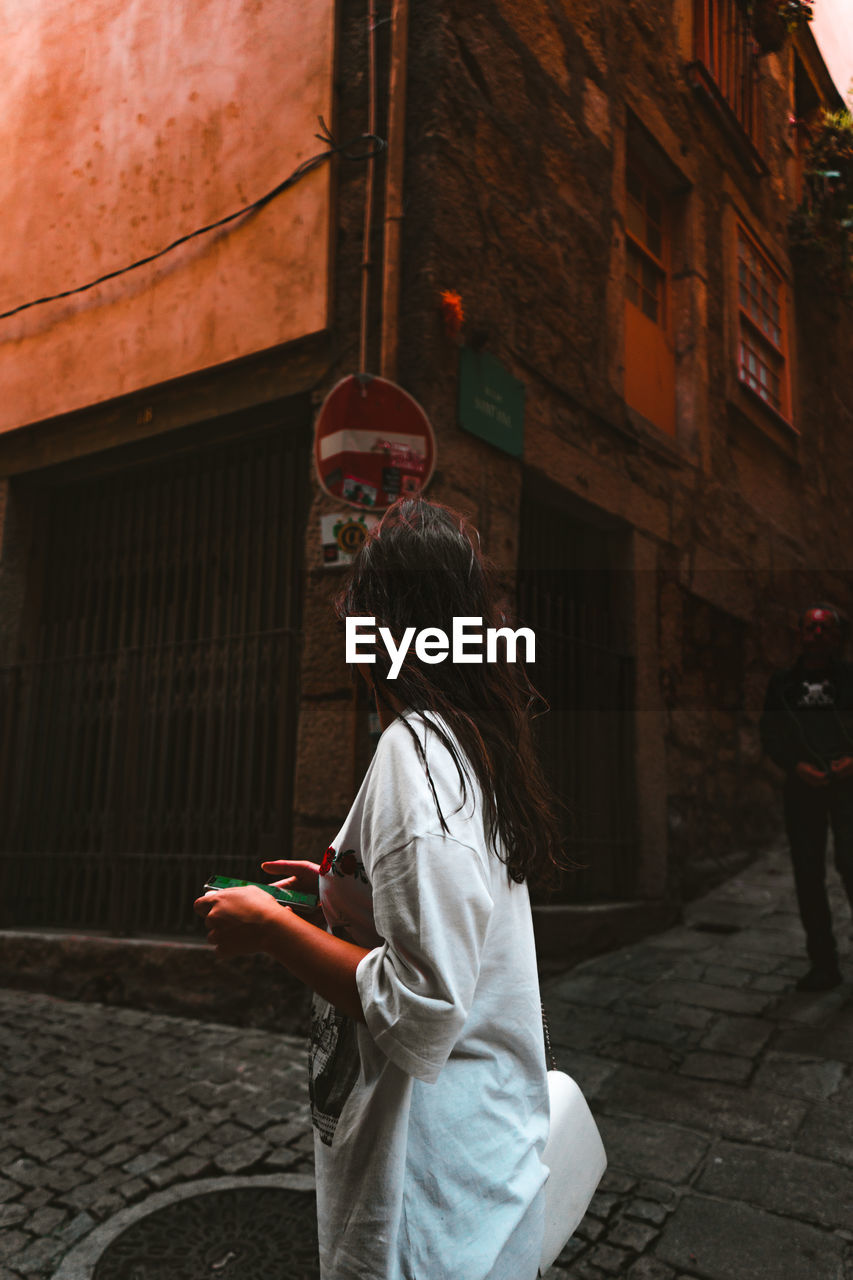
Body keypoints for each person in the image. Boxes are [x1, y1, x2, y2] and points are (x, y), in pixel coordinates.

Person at [194, 498, 563, 1280]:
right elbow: (442, 912)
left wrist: (269, 930)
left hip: (427, 1193)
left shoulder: (414, 752)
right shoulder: (467, 737)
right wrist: (338, 891)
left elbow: (424, 1008)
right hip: (475, 1170)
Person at [759, 603, 853, 991]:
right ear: (799, 635)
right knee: (808, 875)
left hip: (849, 786)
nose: (817, 634)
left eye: (824, 629)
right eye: (810, 628)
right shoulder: (783, 684)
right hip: (803, 788)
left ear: (836, 636)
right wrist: (796, 766)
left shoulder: (849, 679)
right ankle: (824, 964)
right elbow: (771, 734)